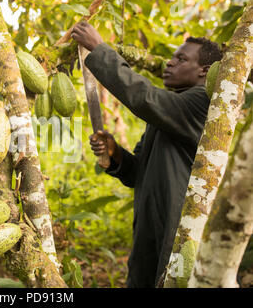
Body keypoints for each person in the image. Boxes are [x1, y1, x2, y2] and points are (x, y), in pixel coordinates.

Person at [71, 21, 223, 287]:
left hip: (177, 229)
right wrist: (115, 152)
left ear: (204, 71)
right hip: (149, 229)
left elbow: (144, 98)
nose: (170, 62)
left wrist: (99, 49)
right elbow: (137, 172)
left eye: (181, 58)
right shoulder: (171, 110)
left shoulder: (202, 104)